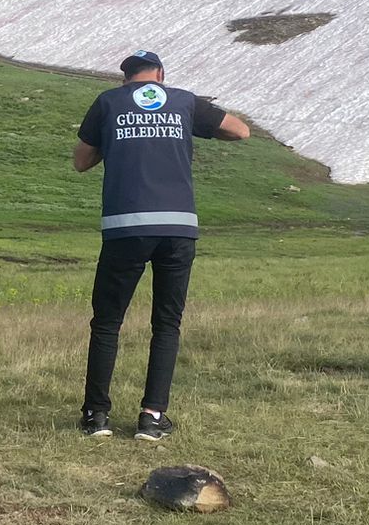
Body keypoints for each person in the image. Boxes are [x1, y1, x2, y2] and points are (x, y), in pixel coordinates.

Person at [72, 50, 250, 440]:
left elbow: (81, 161)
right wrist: (191, 129)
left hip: (125, 227)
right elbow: (240, 130)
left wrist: (113, 141)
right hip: (179, 227)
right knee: (166, 323)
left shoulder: (108, 103)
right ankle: (152, 417)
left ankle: (96, 415)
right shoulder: (184, 102)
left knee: (107, 321)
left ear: (125, 79)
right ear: (161, 76)